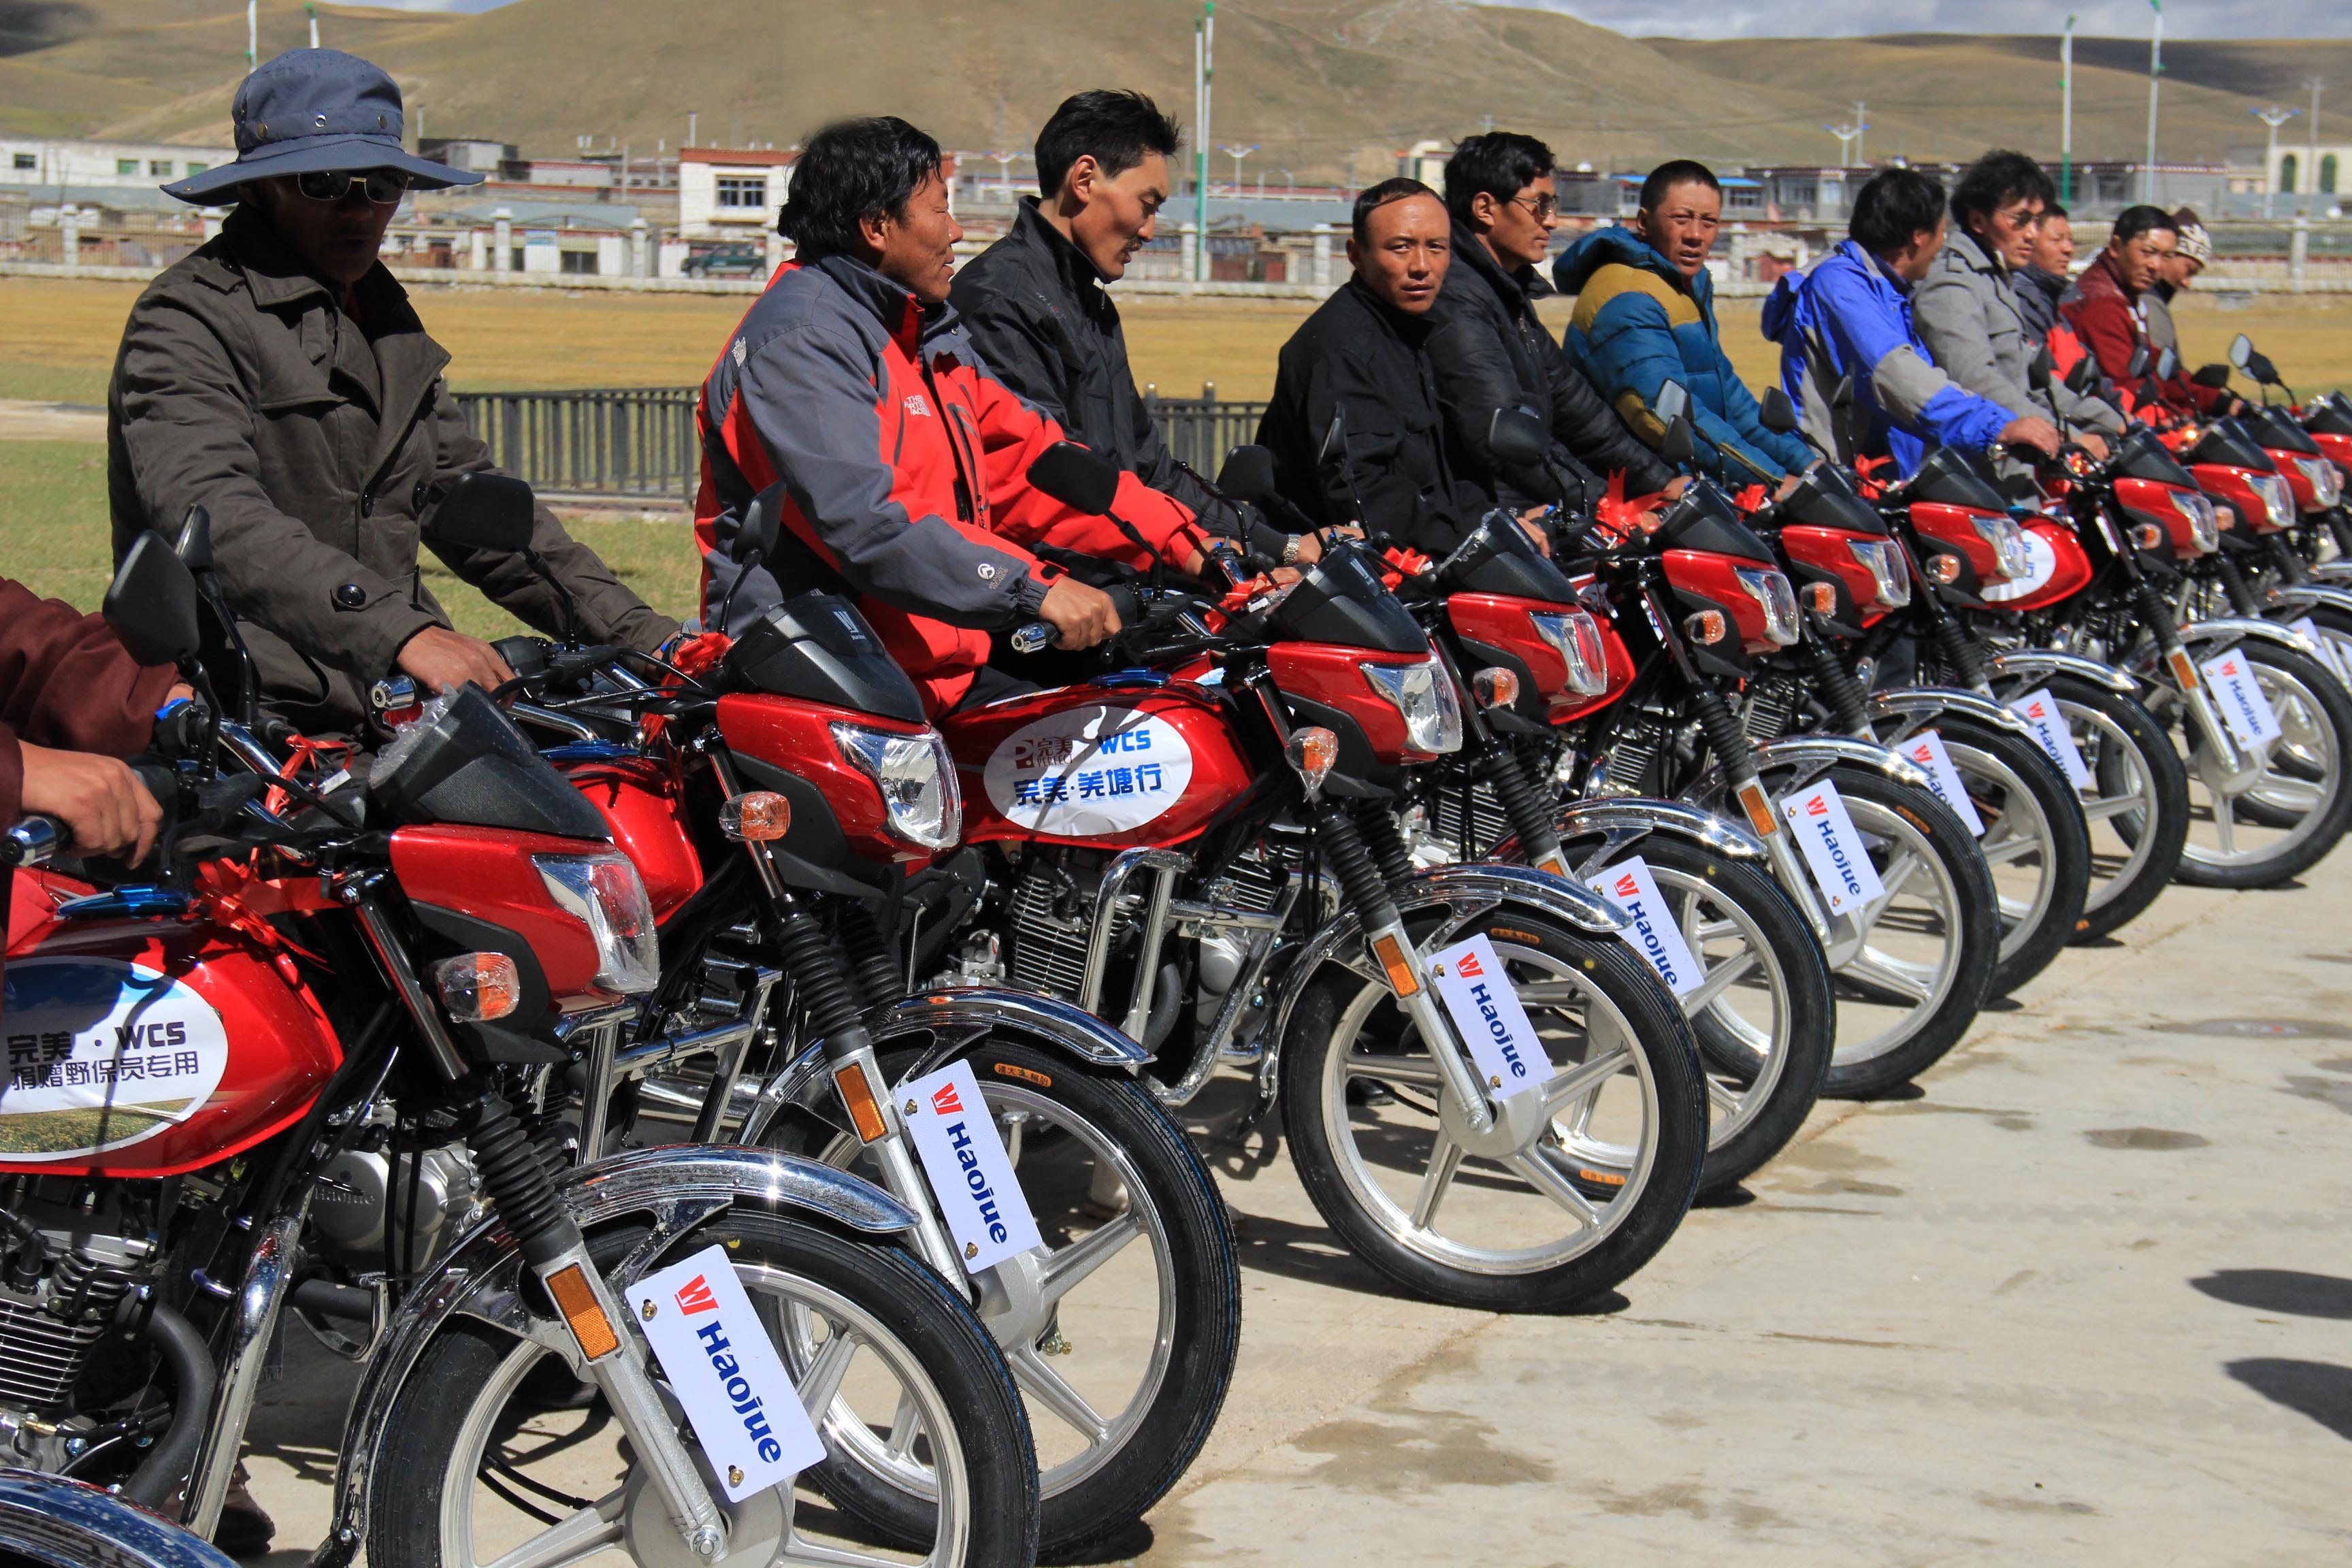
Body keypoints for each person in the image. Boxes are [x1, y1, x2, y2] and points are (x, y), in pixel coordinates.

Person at [110, 48, 675, 740]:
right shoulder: (188, 317)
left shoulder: (384, 316)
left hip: (396, 702)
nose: (360, 209)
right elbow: (211, 514)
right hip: (246, 713)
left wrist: (656, 642)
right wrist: (400, 632)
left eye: (383, 183)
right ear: (257, 190)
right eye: (323, 183)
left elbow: (474, 508)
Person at [695, 115, 1209, 717]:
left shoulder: (923, 333)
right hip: (833, 685)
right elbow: (868, 524)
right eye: (940, 210)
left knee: (1157, 716)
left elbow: (1031, 463)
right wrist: (1031, 587)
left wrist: (1191, 545)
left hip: (938, 671)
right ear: (877, 227)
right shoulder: (803, 343)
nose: (957, 231)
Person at [950, 90, 1303, 565]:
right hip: (1061, 594)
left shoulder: (1090, 304)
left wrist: (1282, 546)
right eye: (1146, 204)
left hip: (1124, 575)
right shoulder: (1002, 303)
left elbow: (1152, 470)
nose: (1149, 231)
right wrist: (1194, 553)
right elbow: (1053, 491)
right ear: (1085, 179)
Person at [1422, 132, 1680, 526]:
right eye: (1538, 206)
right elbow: (1505, 438)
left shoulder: (1507, 291)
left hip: (1531, 509)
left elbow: (1579, 411)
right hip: (1489, 520)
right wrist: (1607, 508)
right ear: (1485, 208)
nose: (1552, 221)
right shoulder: (1457, 298)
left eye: (1552, 205)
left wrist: (1663, 483)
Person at [1762, 166, 2060, 476]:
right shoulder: (1840, 286)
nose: (1943, 245)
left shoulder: (1889, 291)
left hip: (1885, 480)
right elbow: (1896, 376)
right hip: (1839, 480)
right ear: (1919, 237)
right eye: (1942, 233)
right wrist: (1996, 426)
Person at [1554, 159, 1815, 492]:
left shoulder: (1683, 285)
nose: (1695, 235)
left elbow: (1732, 401)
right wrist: (1772, 480)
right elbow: (1669, 415)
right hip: (1628, 494)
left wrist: (1808, 465)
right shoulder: (1628, 299)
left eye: (1709, 222)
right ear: (1644, 222)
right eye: (1681, 219)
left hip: (1688, 481)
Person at [1258, 179, 1483, 553]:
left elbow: (1440, 478)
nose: (1422, 266)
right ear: (1356, 254)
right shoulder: (1344, 351)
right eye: (1401, 247)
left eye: (1436, 247)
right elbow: (1366, 498)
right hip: (1348, 573)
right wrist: (1473, 542)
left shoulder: (1411, 331)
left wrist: (1496, 524)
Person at [1914, 149, 2119, 459]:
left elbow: (2034, 381)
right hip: (1982, 468)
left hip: (2021, 461)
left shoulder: (1996, 279)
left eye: (2037, 221)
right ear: (1978, 220)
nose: (2032, 234)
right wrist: (2069, 438)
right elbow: (1975, 381)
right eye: (2020, 220)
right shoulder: (1952, 283)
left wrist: (2114, 422)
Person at [2060, 205, 2239, 418]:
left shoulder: (2126, 295)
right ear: (2116, 247)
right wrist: (2175, 419)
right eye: (2147, 252)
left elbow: (2160, 371)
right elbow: (2125, 389)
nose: (2156, 266)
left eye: (2166, 257)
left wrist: (2220, 402)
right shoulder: (2101, 304)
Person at [2012, 200, 2076, 344]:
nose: (2069, 249)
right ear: (2030, 241)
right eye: (2056, 240)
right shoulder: (2022, 301)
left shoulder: (2068, 294)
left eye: (2070, 240)